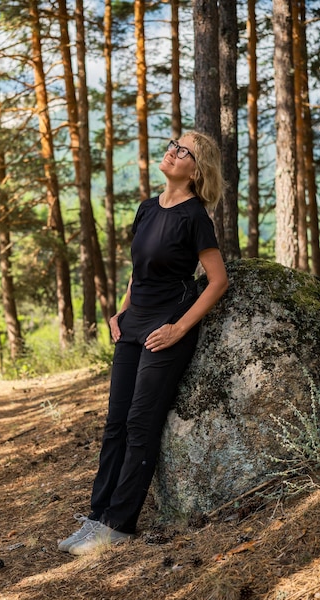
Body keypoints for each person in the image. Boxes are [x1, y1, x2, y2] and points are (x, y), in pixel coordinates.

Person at [58, 131, 229, 556]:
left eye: (183, 151)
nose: (172, 151)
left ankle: (118, 524)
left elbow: (218, 280)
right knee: (115, 423)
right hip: (133, 326)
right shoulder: (148, 207)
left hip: (164, 329)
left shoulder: (195, 217)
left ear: (196, 169)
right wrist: (120, 312)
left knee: (139, 424)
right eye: (174, 144)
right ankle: (96, 517)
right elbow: (139, 271)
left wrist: (179, 329)